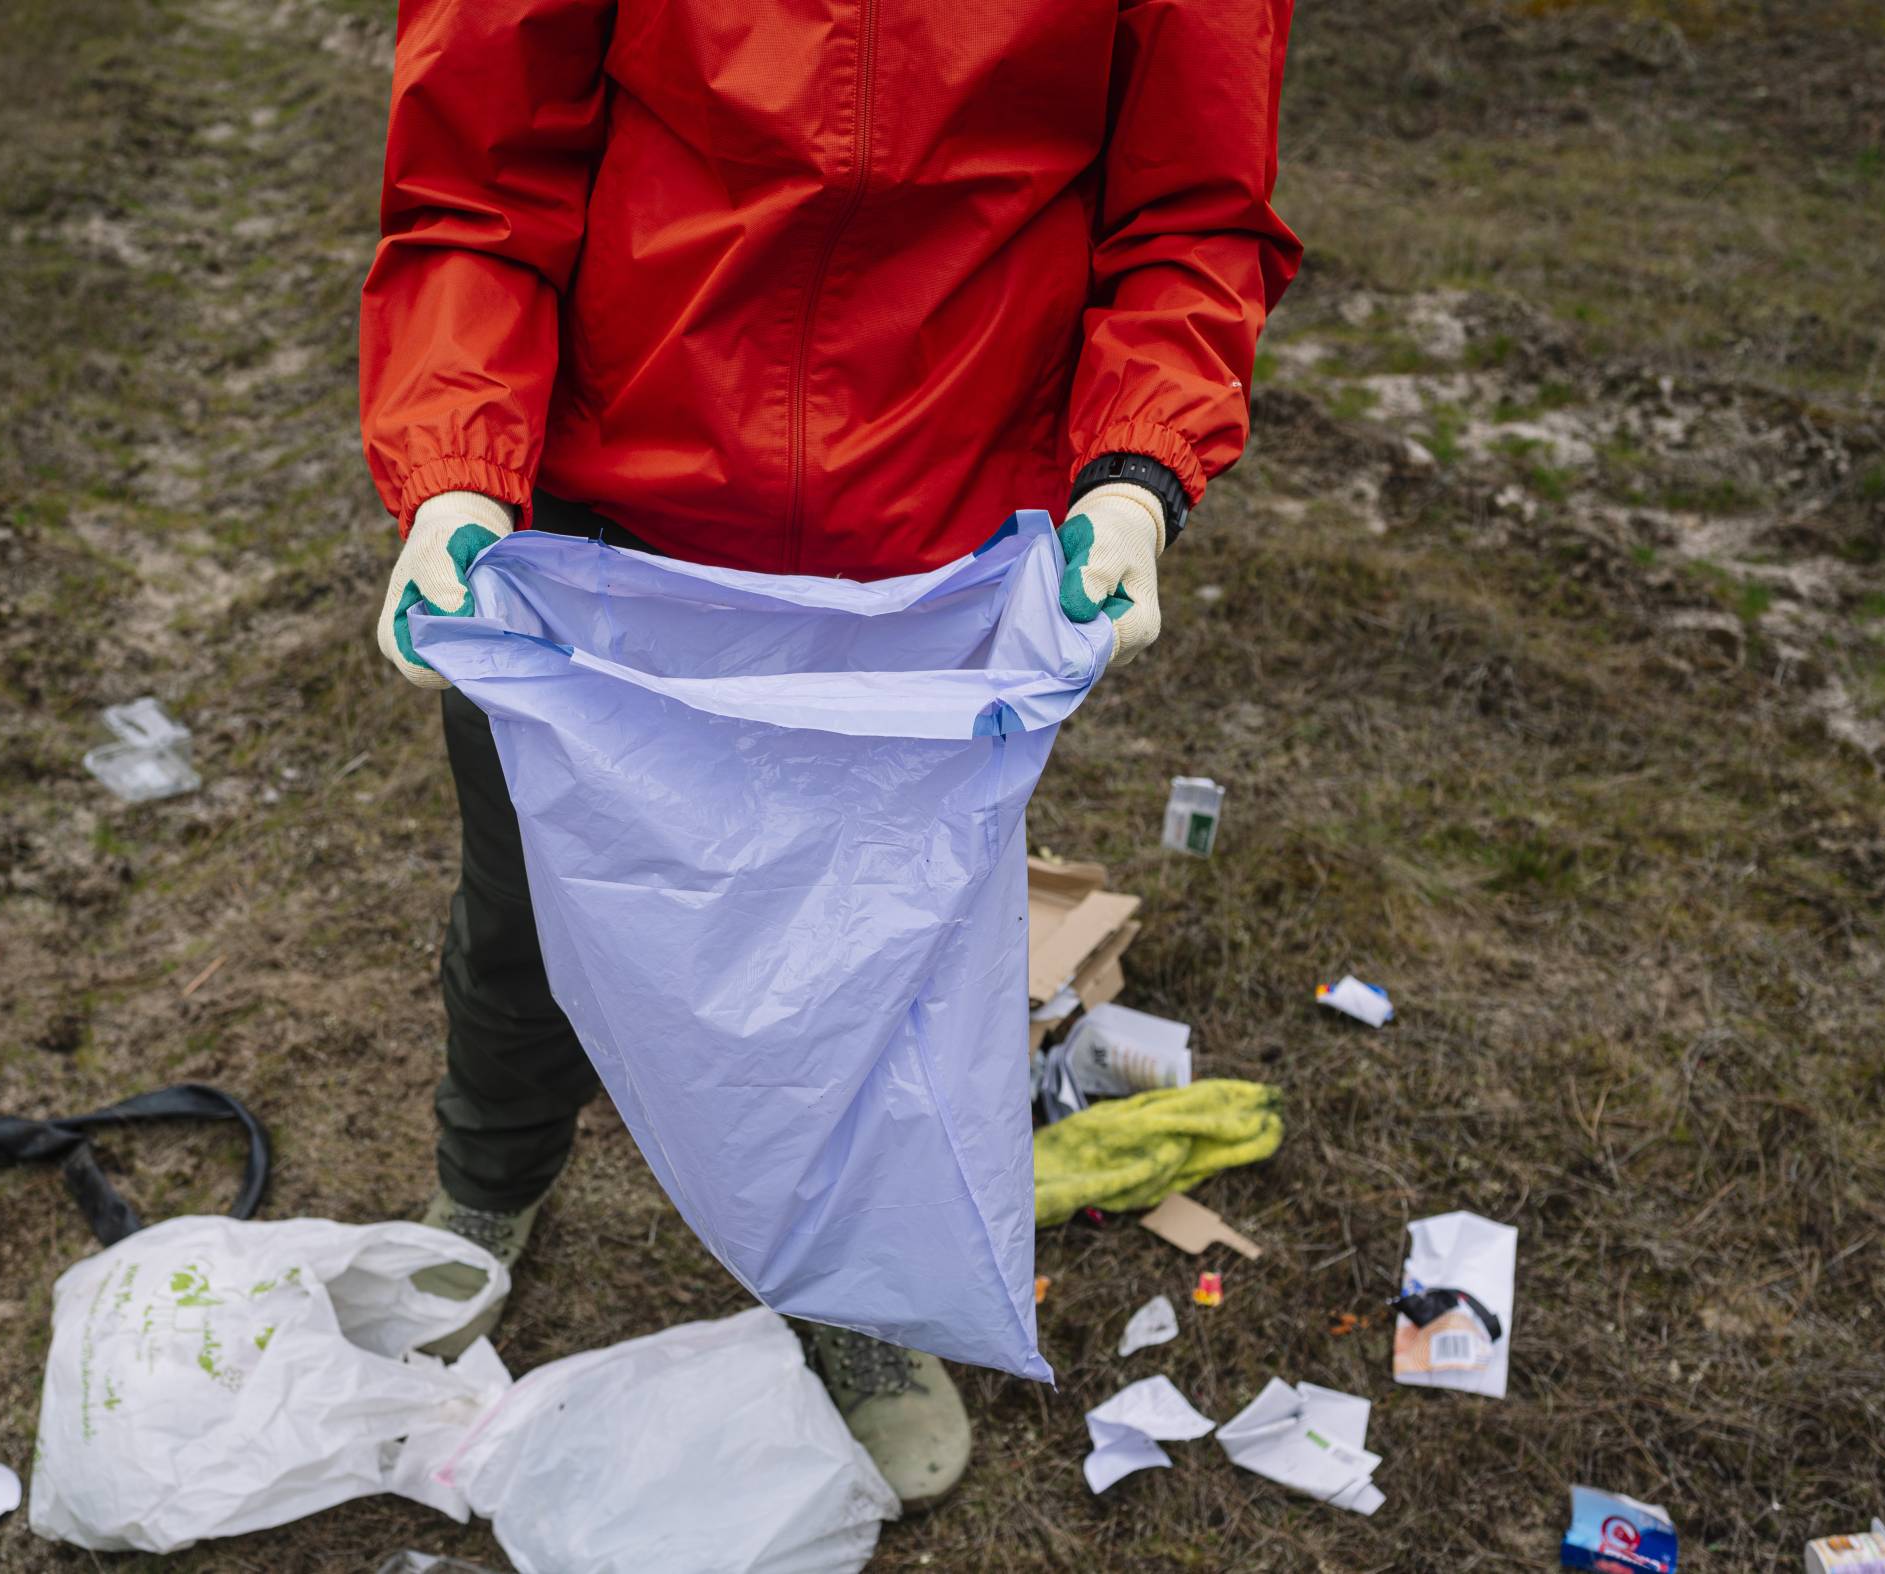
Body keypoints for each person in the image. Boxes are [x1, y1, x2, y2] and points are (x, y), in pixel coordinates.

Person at [357, 0, 1299, 1513]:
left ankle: (854, 1284)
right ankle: (490, 1182)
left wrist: (1132, 475)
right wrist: (460, 475)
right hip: (607, 513)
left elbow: (1190, 206)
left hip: (926, 544)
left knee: (887, 955)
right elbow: (479, 175)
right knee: (530, 904)